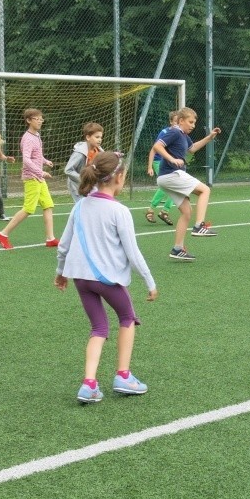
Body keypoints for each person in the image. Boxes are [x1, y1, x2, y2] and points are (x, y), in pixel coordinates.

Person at [55, 151, 158, 403]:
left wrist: (60, 273)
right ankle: (123, 376)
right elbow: (132, 252)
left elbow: (64, 245)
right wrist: (150, 281)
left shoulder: (80, 206)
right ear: (119, 177)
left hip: (80, 278)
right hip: (107, 279)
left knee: (98, 327)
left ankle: (89, 383)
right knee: (128, 317)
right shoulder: (119, 211)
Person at [152, 106, 221, 261]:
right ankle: (199, 226)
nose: (192, 125)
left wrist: (210, 137)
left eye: (194, 123)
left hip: (166, 178)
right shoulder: (175, 131)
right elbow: (157, 146)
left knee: (186, 212)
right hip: (172, 174)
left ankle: (177, 249)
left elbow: (192, 148)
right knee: (204, 190)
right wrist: (171, 159)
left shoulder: (183, 136)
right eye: (190, 122)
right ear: (181, 120)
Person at [0, 108, 59, 249]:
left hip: (39, 179)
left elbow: (36, 156)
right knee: (29, 208)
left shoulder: (37, 136)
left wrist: (45, 161)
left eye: (41, 118)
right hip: (32, 178)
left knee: (48, 205)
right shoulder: (28, 138)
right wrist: (41, 172)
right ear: (29, 120)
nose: (40, 121)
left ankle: (50, 238)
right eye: (37, 119)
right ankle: (3, 234)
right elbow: (26, 160)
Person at [145, 111, 178, 225]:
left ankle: (164, 211)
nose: (177, 124)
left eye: (179, 122)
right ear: (170, 122)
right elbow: (154, 149)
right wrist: (150, 167)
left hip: (170, 163)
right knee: (166, 185)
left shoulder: (180, 134)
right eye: (175, 122)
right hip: (159, 161)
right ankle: (151, 209)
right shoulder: (165, 132)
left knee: (175, 188)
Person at [64, 122, 103, 202]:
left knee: (95, 204)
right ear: (88, 137)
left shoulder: (100, 151)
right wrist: (83, 179)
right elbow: (68, 170)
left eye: (101, 137)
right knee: (82, 205)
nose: (99, 140)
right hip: (77, 185)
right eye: (97, 137)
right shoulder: (79, 153)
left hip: (91, 184)